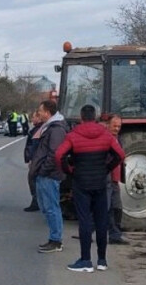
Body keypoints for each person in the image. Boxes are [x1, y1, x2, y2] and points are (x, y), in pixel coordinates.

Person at [56, 105, 124, 272]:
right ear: (95, 117)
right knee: (101, 221)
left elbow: (59, 155)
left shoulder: (73, 135)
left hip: (82, 183)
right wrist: (107, 168)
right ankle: (102, 260)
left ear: (81, 116)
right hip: (100, 182)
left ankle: (85, 260)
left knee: (85, 220)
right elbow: (120, 155)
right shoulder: (106, 135)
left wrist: (69, 170)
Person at [30, 100, 68, 253]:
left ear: (47, 112)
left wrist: (43, 170)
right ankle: (54, 238)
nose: (38, 114)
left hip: (49, 175)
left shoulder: (56, 129)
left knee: (52, 208)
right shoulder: (50, 127)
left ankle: (56, 240)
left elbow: (54, 153)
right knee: (47, 207)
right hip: (44, 174)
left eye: (40, 111)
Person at [102, 113, 129, 245]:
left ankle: (115, 235)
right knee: (104, 207)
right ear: (108, 125)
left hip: (115, 179)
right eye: (114, 126)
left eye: (119, 126)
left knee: (116, 207)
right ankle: (87, 232)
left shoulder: (118, 139)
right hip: (106, 178)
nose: (117, 128)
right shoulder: (105, 139)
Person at [24, 110, 44, 212]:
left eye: (34, 117)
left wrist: (31, 159)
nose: (32, 119)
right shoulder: (38, 129)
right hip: (37, 160)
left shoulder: (38, 130)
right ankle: (37, 201)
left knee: (33, 180)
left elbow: (34, 146)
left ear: (39, 118)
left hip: (36, 160)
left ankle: (36, 202)